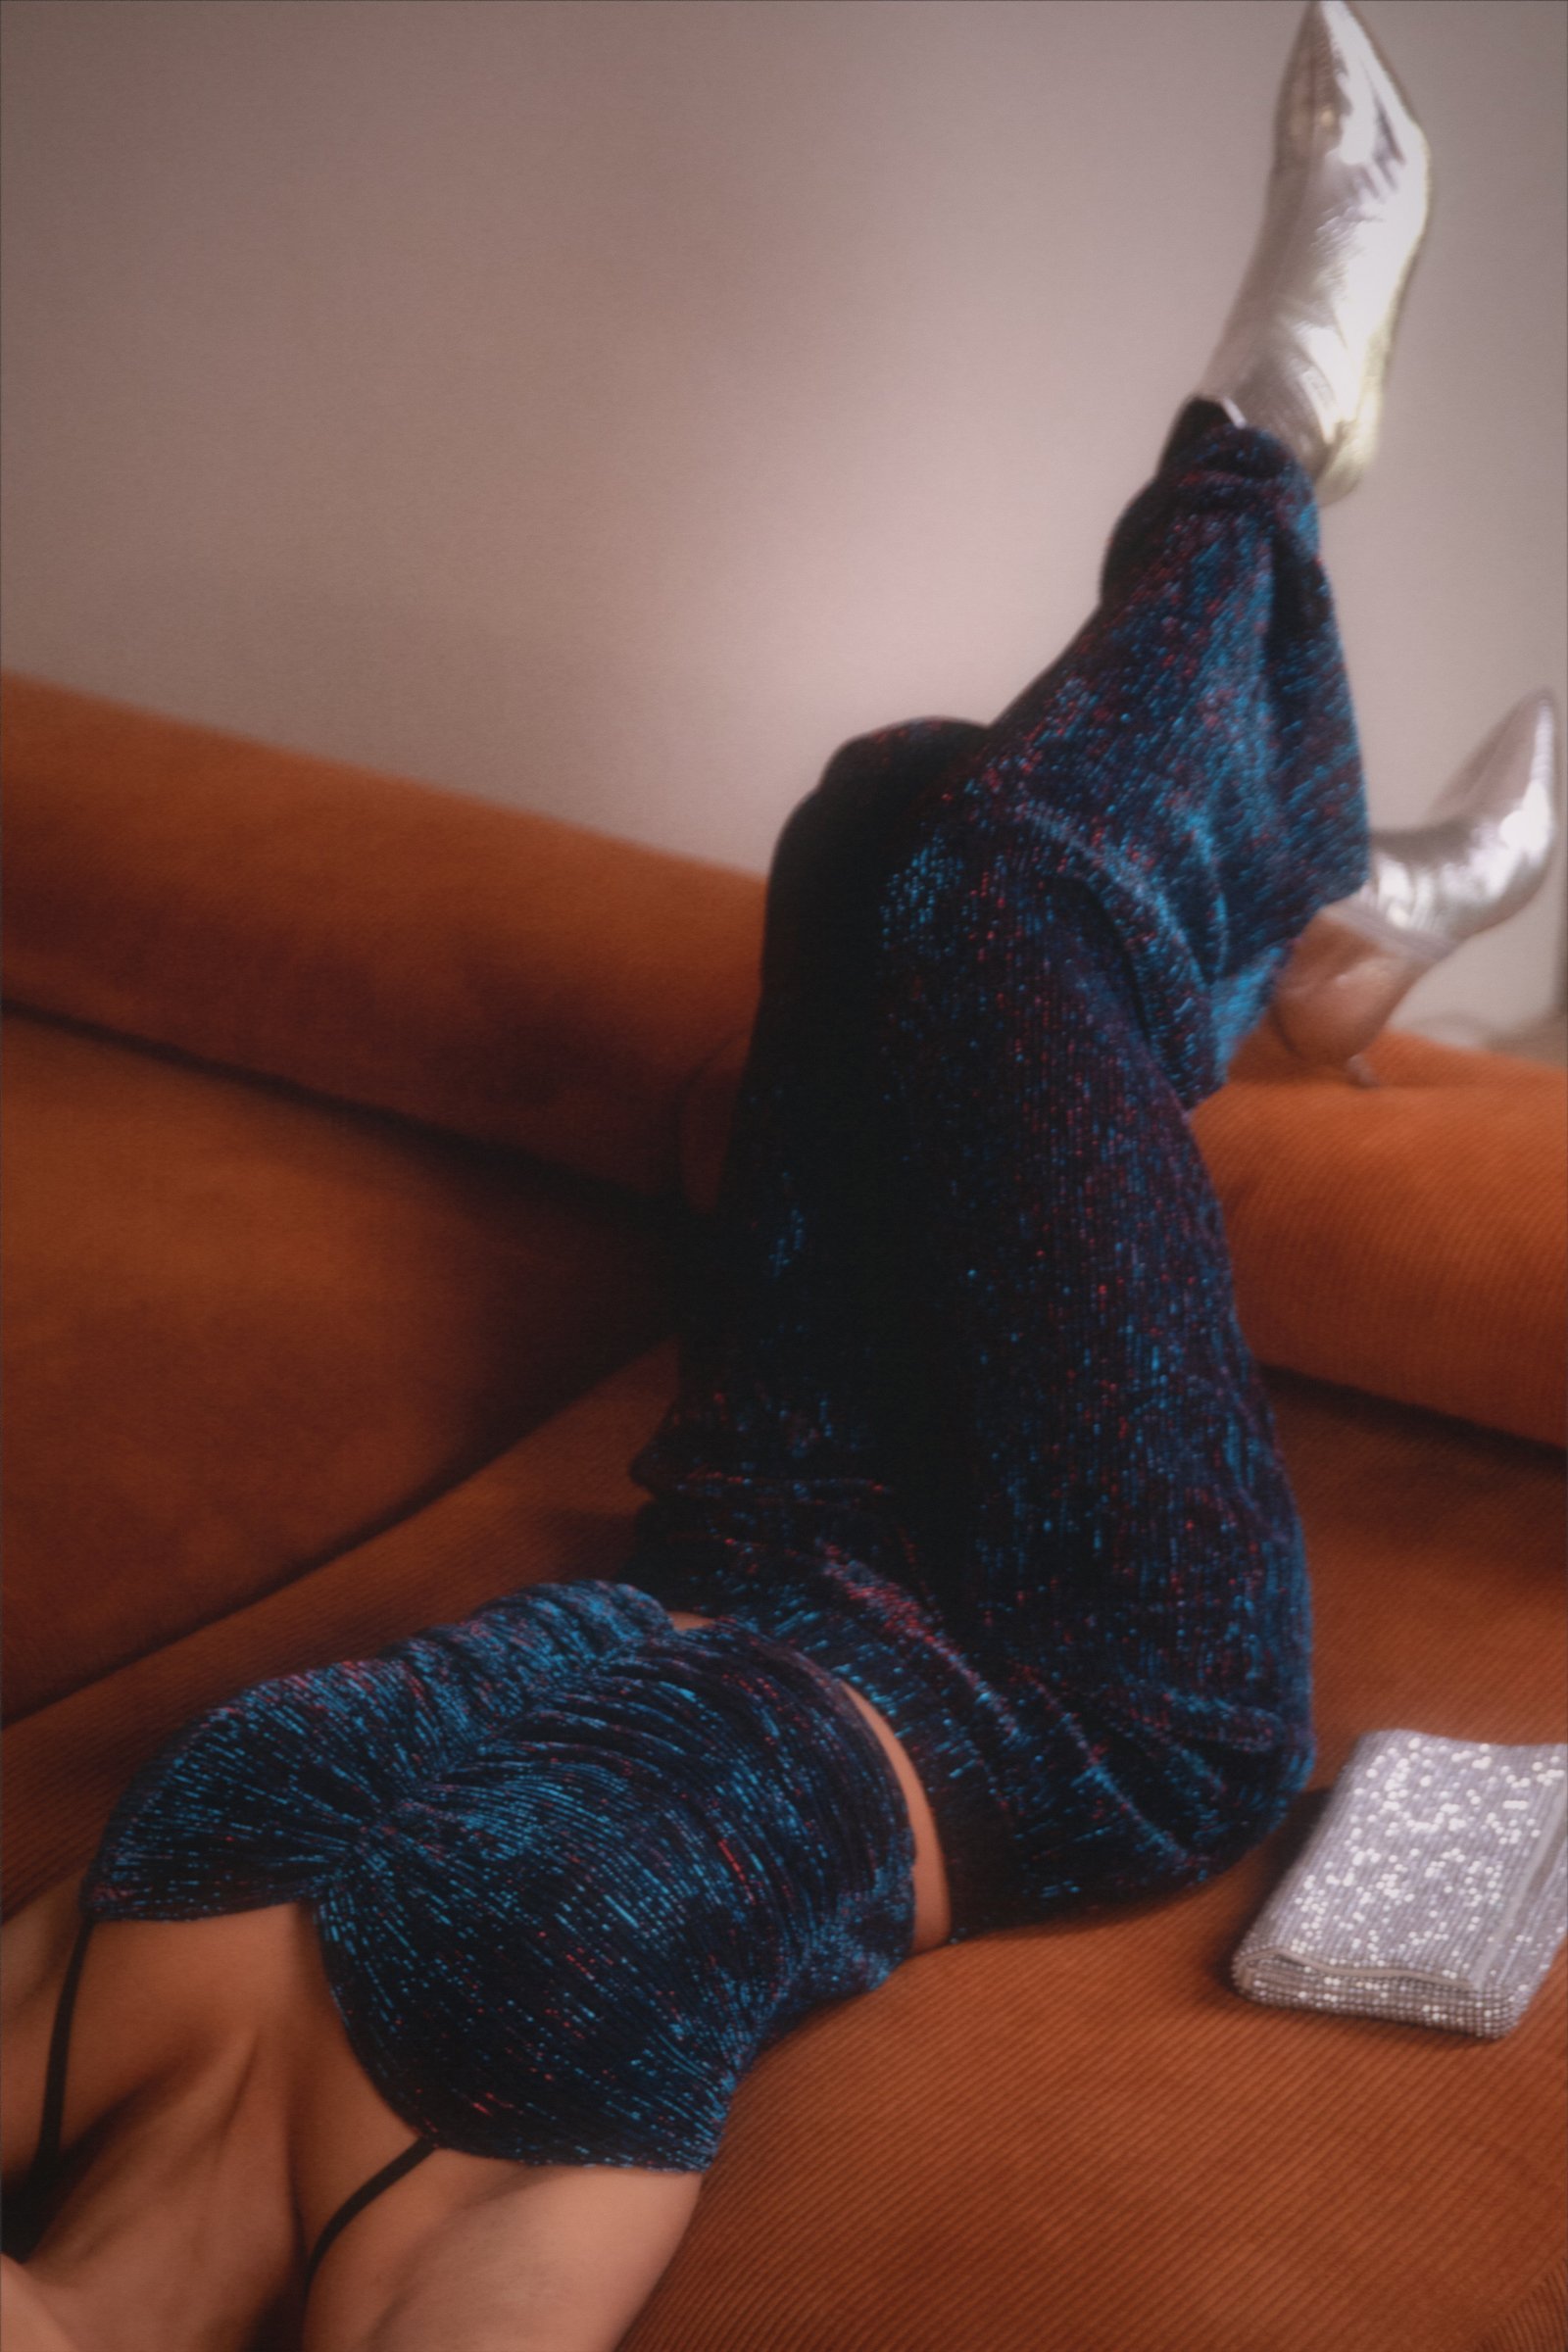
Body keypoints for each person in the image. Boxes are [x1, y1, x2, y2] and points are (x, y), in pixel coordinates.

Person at [2, 5, 1559, 2348]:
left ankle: (1316, 934)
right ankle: (1262, 437)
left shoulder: (40, 2032)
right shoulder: (421, 2279)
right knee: (991, 889)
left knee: (882, 815)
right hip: (1076, 1696)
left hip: (756, 1519)